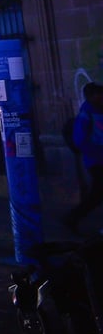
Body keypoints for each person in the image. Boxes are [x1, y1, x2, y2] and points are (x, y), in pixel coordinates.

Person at [63, 82, 103, 234]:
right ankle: (72, 218)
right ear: (91, 97)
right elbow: (80, 141)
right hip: (96, 161)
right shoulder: (86, 115)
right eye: (99, 96)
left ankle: (72, 218)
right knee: (97, 194)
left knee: (97, 194)